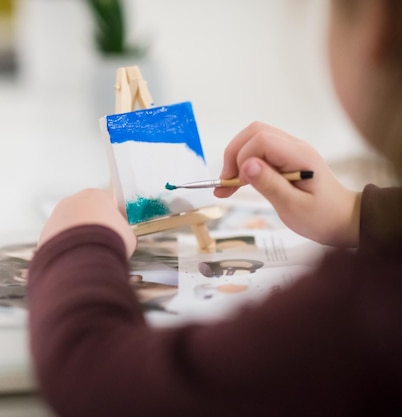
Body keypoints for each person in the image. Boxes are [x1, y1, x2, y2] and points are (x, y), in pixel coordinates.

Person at [27, 0, 402, 416]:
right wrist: (356, 212)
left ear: (375, 24)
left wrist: (75, 243)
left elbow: (100, 379)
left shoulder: (357, 314)